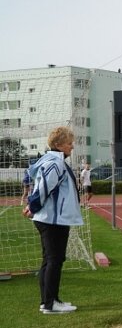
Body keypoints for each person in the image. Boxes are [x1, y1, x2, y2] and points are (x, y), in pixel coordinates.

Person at [23, 126, 83, 314]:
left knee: (50, 260)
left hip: (51, 218)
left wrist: (32, 206)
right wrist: (32, 206)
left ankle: (49, 301)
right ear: (58, 145)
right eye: (69, 143)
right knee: (54, 260)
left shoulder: (52, 160)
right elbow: (43, 188)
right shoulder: (55, 163)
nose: (72, 147)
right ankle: (50, 304)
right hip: (52, 220)